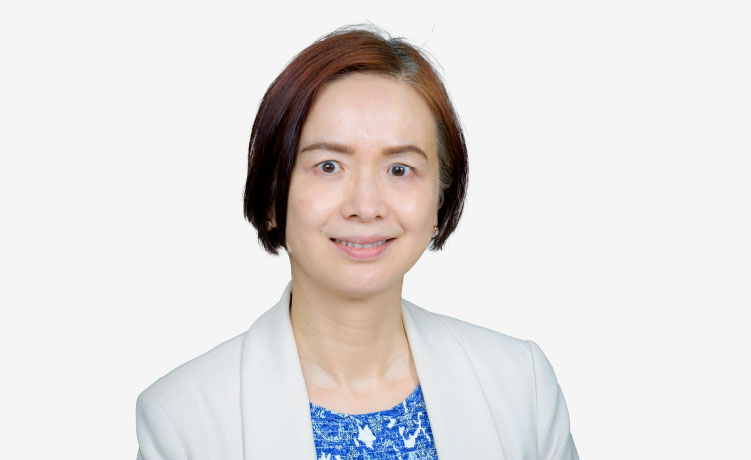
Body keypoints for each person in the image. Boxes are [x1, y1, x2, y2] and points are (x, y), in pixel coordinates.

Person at [135, 24, 579, 460]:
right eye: (329, 166)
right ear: (273, 196)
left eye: (400, 169)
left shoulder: (524, 386)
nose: (366, 206)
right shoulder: (183, 419)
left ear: (438, 204)